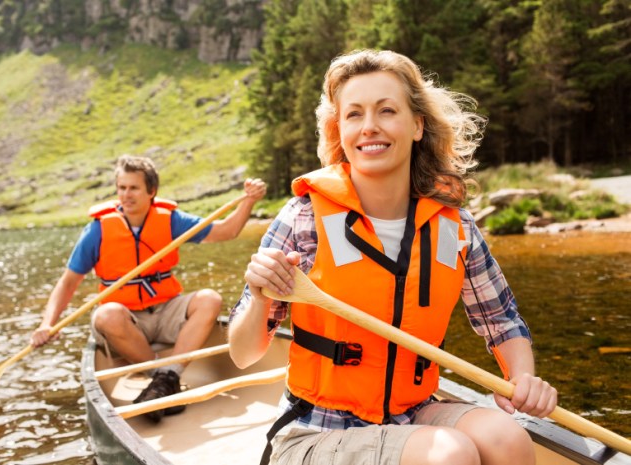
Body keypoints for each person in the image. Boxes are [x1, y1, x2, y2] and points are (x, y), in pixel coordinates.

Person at [228, 49, 557, 465]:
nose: (370, 127)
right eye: (354, 114)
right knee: (449, 454)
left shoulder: (454, 227)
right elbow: (242, 354)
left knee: (507, 439)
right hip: (316, 428)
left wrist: (522, 378)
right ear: (340, 129)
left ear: (418, 125)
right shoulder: (304, 218)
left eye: (386, 111)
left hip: (412, 411)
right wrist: (260, 297)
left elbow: (502, 320)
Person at [32, 154, 266, 422]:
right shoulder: (97, 230)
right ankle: (163, 377)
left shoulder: (170, 220)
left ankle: (167, 377)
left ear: (151, 191)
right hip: (128, 321)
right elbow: (68, 282)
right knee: (106, 315)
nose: (125, 195)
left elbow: (226, 231)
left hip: (166, 309)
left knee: (209, 299)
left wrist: (249, 201)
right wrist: (48, 323)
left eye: (133, 188)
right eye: (121, 188)